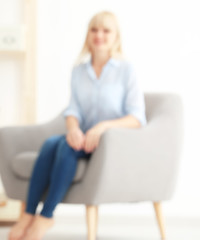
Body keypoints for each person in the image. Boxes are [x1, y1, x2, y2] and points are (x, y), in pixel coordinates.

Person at [9, 11, 146, 240]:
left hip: (111, 142)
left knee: (64, 147)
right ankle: (28, 214)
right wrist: (73, 129)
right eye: (94, 29)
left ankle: (46, 217)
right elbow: (73, 110)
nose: (99, 35)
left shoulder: (126, 70)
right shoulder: (79, 71)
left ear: (116, 37)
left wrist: (101, 128)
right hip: (83, 139)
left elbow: (137, 117)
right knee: (52, 143)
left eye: (106, 30)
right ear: (88, 34)